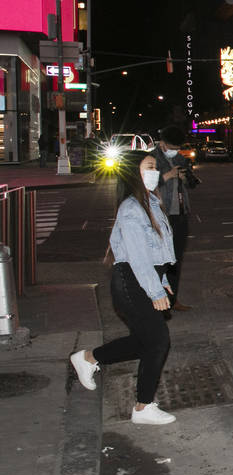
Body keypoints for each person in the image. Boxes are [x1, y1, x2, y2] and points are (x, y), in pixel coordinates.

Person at [70, 151, 177, 425]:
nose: (154, 172)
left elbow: (158, 253)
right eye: (149, 167)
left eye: (154, 167)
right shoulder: (131, 209)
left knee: (145, 342)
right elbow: (138, 258)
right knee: (158, 342)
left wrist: (162, 281)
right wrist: (154, 291)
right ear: (133, 174)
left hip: (143, 279)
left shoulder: (151, 202)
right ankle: (143, 407)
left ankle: (88, 358)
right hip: (133, 282)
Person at [152, 126, 194, 312]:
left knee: (176, 259)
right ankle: (156, 298)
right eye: (172, 146)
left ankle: (173, 298)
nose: (175, 150)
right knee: (160, 259)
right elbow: (147, 184)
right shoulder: (152, 159)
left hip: (180, 214)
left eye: (178, 147)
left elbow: (192, 184)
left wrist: (186, 178)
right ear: (162, 143)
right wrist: (168, 175)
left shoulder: (179, 158)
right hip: (162, 214)